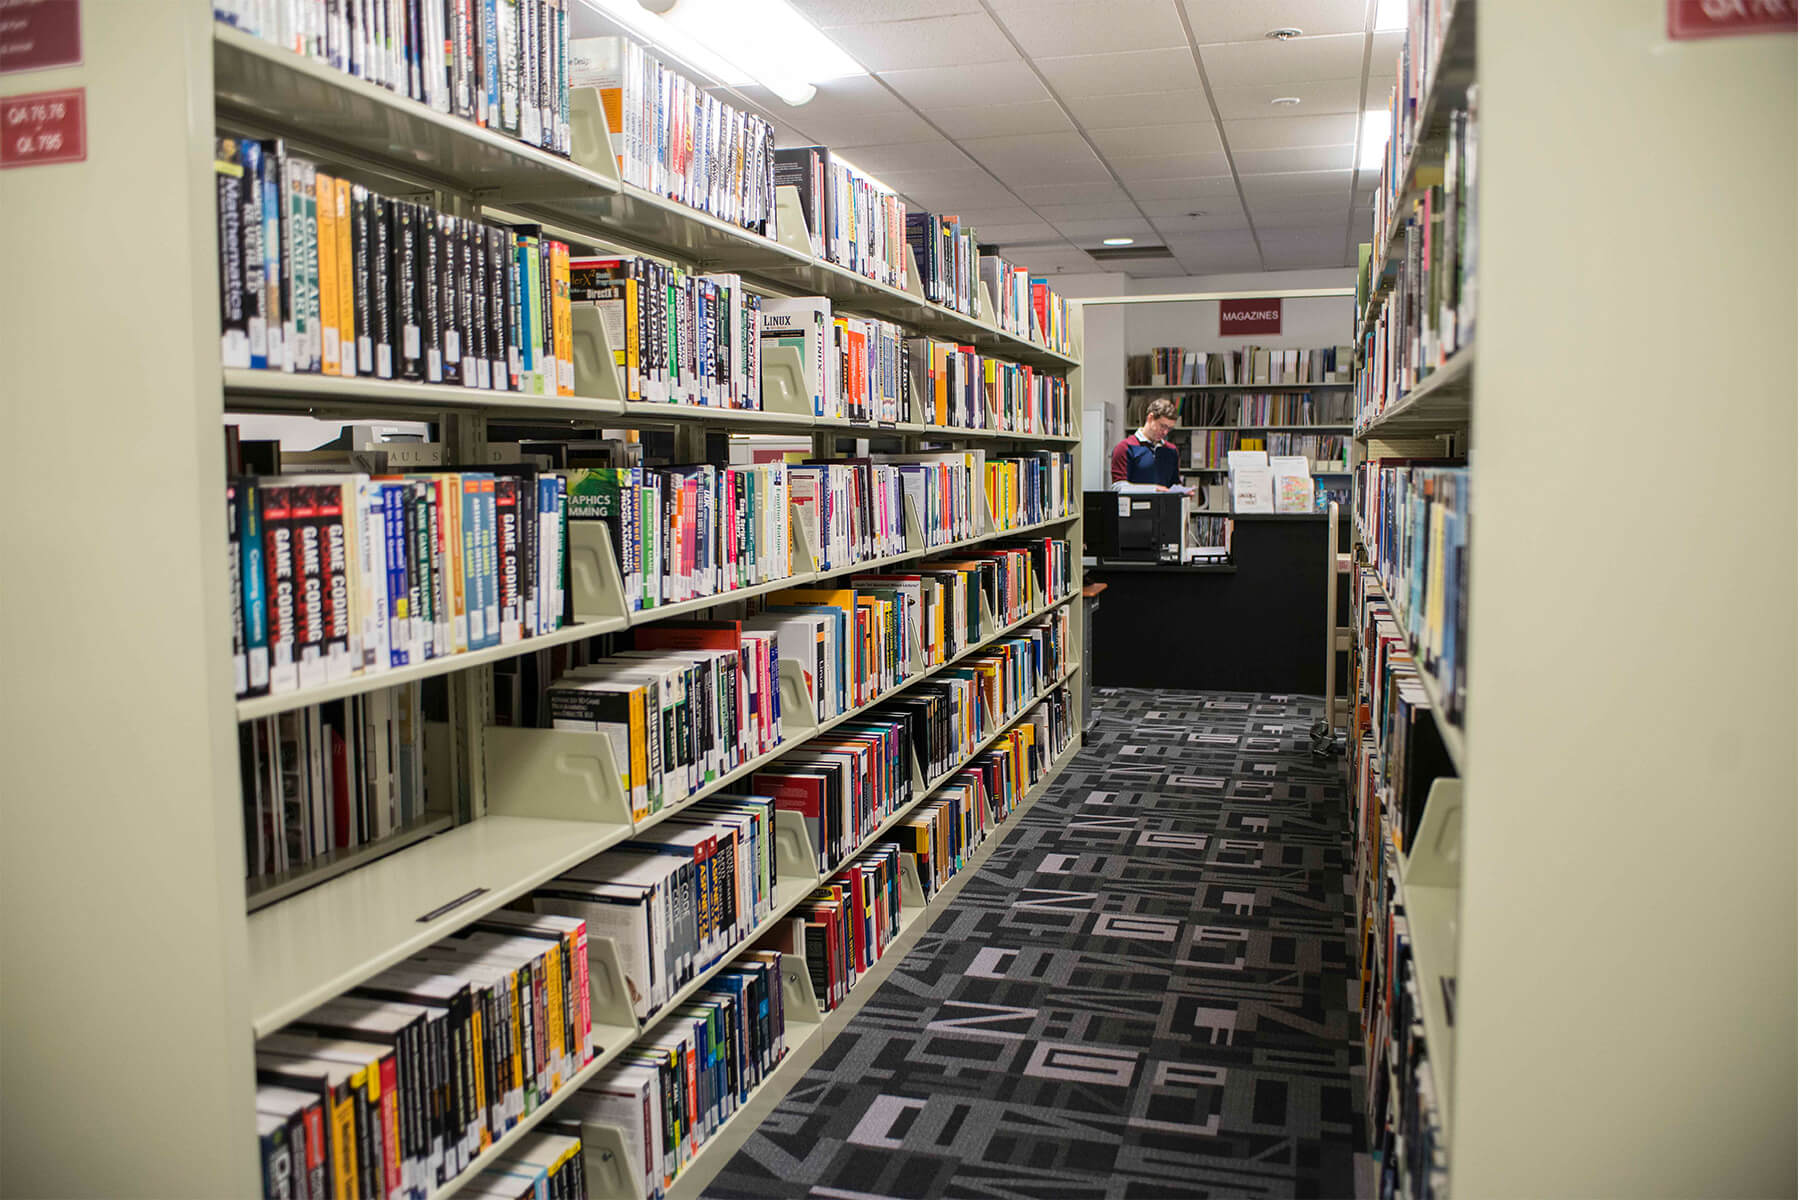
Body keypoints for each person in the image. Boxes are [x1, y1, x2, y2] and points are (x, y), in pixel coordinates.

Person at [1110, 397, 1183, 490]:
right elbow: (1119, 488)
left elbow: (1174, 484)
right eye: (1162, 426)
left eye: (1169, 428)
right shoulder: (1124, 448)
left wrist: (1182, 492)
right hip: (1135, 504)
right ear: (1150, 418)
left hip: (1164, 504)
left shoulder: (1171, 450)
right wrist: (1153, 490)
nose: (1165, 432)